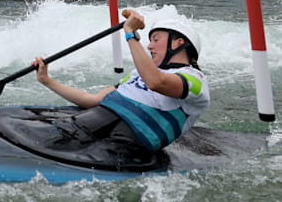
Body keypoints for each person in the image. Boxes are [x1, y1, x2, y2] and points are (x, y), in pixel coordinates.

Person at [33, 10, 209, 158]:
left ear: (178, 43)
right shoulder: (138, 73)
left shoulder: (195, 79)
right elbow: (91, 100)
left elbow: (156, 82)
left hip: (128, 144)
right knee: (52, 134)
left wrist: (131, 34)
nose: (149, 47)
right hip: (94, 122)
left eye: (156, 40)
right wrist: (47, 80)